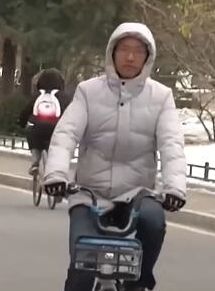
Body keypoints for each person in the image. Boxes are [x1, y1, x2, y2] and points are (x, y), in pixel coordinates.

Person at [43, 23, 187, 291]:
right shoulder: (88, 91)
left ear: (148, 57)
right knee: (82, 264)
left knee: (154, 222)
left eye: (138, 51)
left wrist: (174, 189)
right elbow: (66, 135)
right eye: (124, 49)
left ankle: (139, 284)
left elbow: (172, 145)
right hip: (90, 194)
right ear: (112, 52)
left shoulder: (161, 97)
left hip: (138, 194)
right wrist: (56, 175)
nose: (130, 57)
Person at [17, 69, 72, 175]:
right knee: (58, 145)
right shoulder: (64, 97)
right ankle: (56, 167)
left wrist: (22, 124)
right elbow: (72, 113)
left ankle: (35, 163)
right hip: (56, 129)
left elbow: (25, 113)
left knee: (34, 141)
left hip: (36, 129)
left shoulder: (38, 95)